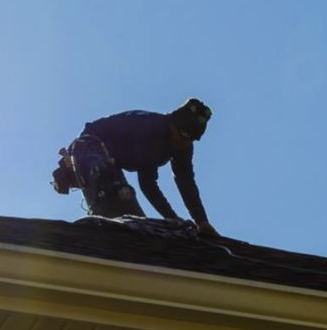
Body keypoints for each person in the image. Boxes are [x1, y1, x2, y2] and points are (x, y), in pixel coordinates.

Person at [52, 98, 219, 235]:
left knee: (133, 220)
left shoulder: (183, 145)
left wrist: (202, 221)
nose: (183, 144)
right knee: (120, 202)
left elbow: (186, 182)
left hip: (109, 157)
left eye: (190, 140)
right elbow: (148, 184)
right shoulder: (154, 130)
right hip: (90, 147)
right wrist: (173, 219)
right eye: (182, 137)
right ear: (173, 124)